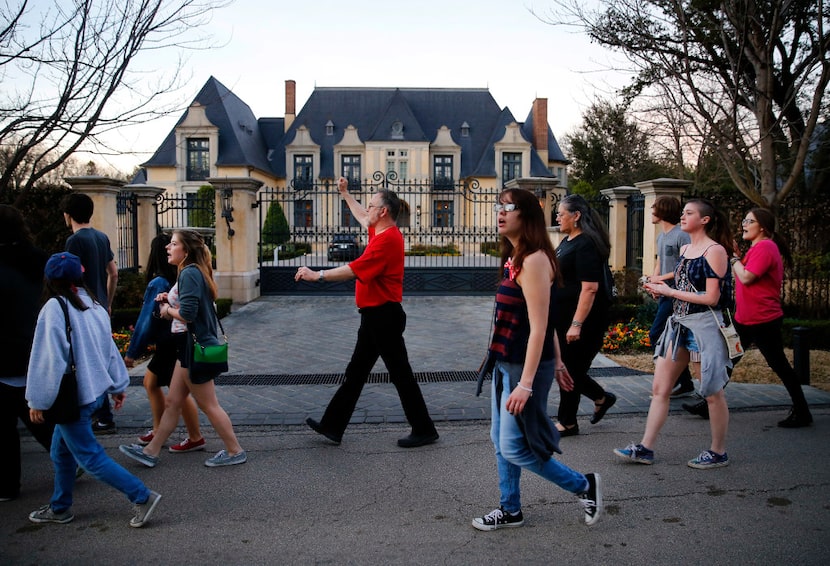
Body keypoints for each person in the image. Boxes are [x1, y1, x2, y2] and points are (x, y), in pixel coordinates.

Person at [471, 188, 601, 531]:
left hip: (522, 369)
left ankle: (584, 485)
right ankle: (510, 508)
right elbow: (537, 319)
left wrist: (527, 384)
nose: (500, 213)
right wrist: (557, 363)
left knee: (514, 448)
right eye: (498, 207)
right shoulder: (515, 256)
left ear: (526, 215)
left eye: (508, 207)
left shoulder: (536, 259)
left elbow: (541, 326)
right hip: (506, 363)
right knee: (500, 443)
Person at [296, 177, 439, 448]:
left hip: (383, 317)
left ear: (383, 212)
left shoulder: (388, 241)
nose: (368, 209)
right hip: (375, 316)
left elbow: (353, 269)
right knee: (357, 372)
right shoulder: (380, 231)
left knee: (398, 374)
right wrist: (345, 194)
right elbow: (362, 216)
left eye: (372, 205)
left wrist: (318, 276)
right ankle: (333, 426)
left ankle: (424, 428)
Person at [25, 252, 161, 527]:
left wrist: (37, 400)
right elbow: (109, 351)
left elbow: (47, 359)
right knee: (60, 451)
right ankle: (60, 506)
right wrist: (117, 385)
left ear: (50, 279)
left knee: (89, 457)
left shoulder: (54, 308)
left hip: (72, 398)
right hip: (92, 393)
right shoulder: (93, 305)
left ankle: (142, 496)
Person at [615, 198, 734, 469]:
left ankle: (718, 452)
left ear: (705, 219)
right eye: (683, 213)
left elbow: (712, 297)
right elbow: (683, 281)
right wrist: (660, 284)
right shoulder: (689, 247)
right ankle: (645, 448)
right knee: (660, 388)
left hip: (703, 327)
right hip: (679, 324)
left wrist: (668, 291)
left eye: (689, 213)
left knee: (712, 392)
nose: (683, 216)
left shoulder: (714, 250)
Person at [120, 230, 246, 467]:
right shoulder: (192, 271)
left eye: (174, 244)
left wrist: (167, 311)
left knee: (209, 405)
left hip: (191, 346)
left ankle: (234, 451)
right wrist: (169, 299)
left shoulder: (189, 273)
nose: (168, 247)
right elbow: (191, 304)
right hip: (185, 346)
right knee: (173, 403)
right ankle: (151, 451)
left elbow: (188, 314)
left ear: (185, 251)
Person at [730, 208, 812, 428]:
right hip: (745, 319)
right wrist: (738, 258)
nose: (744, 224)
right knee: (727, 360)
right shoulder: (756, 248)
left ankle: (803, 412)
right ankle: (708, 402)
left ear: (762, 227)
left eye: (749, 221)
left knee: (779, 365)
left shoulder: (766, 247)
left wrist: (733, 259)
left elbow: (747, 277)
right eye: (744, 220)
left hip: (762, 319)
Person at [123, 234, 205, 451]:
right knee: (159, 386)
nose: (170, 247)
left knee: (181, 395)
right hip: (173, 340)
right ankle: (161, 434)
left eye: (174, 244)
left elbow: (145, 321)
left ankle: (189, 436)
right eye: (168, 245)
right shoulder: (178, 276)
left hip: (171, 342)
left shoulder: (167, 279)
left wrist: (132, 352)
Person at [0, 205, 53, 502]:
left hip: (6, 349)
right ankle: (70, 460)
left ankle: (8, 485)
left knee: (6, 427)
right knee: (36, 413)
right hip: (36, 345)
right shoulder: (38, 260)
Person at [552, 194, 617, 437]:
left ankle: (567, 422)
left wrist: (576, 324)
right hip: (563, 317)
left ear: (576, 216)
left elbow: (590, 287)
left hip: (584, 320)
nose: (557, 217)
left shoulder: (587, 243)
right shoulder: (568, 241)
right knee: (569, 368)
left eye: (561, 213)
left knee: (571, 370)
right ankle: (601, 397)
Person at [61, 193, 118, 434]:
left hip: (82, 308)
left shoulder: (74, 241)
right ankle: (104, 414)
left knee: (86, 360)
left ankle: (102, 416)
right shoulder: (101, 237)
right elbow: (113, 273)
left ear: (68, 215)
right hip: (100, 308)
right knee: (100, 358)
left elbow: (70, 277)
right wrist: (108, 302)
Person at [647, 196, 695, 397]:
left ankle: (673, 380)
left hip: (677, 295)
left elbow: (685, 268)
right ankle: (685, 384)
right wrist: (654, 281)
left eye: (654, 209)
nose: (651, 212)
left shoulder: (681, 235)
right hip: (665, 293)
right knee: (670, 337)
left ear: (663, 211)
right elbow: (660, 261)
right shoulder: (661, 237)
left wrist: (660, 281)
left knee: (656, 335)